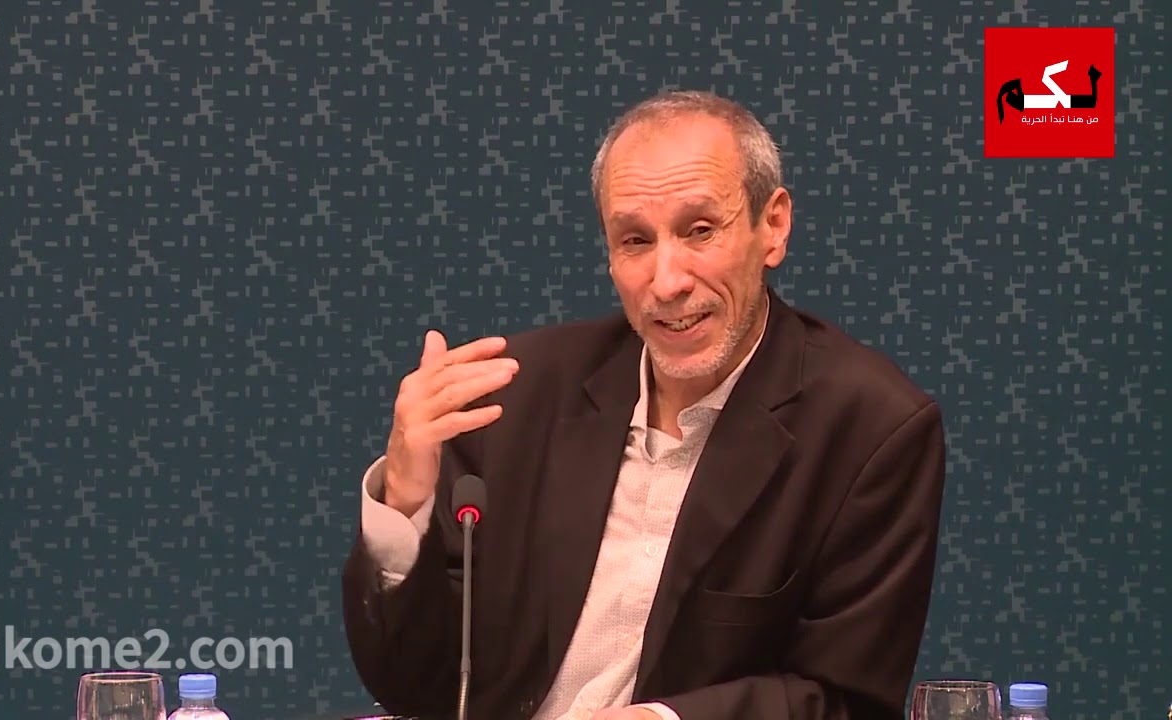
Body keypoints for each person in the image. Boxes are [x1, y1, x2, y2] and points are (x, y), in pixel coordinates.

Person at [341, 89, 947, 720]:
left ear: (773, 226)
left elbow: (845, 701)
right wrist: (405, 502)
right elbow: (415, 686)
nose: (667, 282)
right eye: (634, 240)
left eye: (700, 231)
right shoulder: (509, 397)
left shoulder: (870, 429)